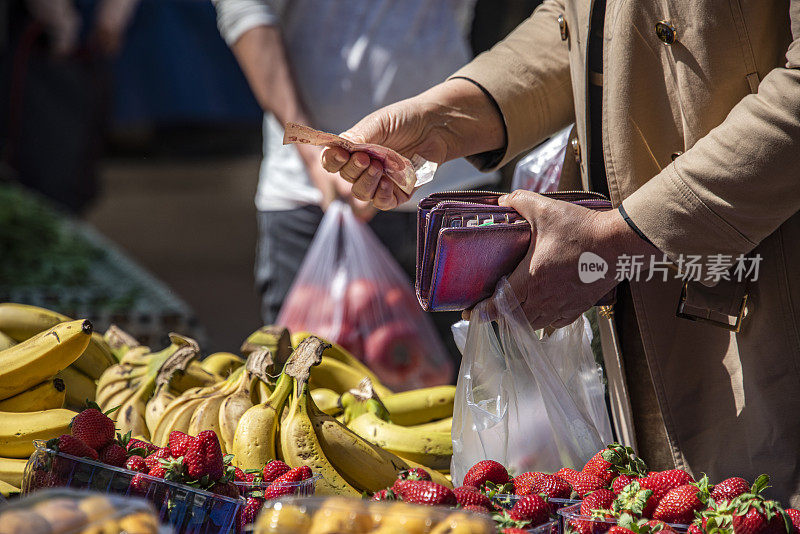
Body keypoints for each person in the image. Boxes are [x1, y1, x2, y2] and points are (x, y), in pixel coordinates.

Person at [322, 1, 800, 505]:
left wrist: (621, 237)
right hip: (632, 313)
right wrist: (443, 117)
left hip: (765, 290)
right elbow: (576, 21)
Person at [211, 0, 496, 355]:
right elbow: (247, 11)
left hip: (449, 191)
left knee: (461, 384)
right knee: (305, 378)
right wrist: (315, 158)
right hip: (309, 196)